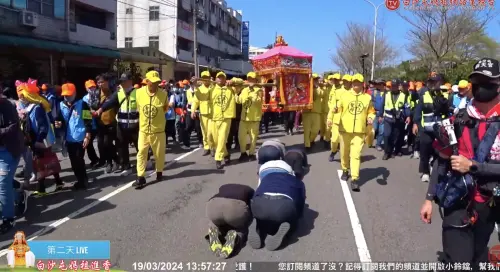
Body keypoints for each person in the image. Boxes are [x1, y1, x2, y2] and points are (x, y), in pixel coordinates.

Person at [420, 58, 500, 270]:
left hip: (490, 204)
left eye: (488, 82)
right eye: (477, 82)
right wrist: (429, 198)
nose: (481, 87)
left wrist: (473, 166)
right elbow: (442, 159)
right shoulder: (459, 119)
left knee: (479, 256)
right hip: (457, 199)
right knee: (459, 260)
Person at [330, 73, 375, 191]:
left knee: (355, 155)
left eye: (358, 82)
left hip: (359, 132)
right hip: (345, 130)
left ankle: (355, 179)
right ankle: (345, 169)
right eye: (354, 82)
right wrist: (335, 110)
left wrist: (370, 117)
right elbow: (338, 107)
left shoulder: (367, 98)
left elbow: (371, 111)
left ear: (362, 84)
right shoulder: (345, 96)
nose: (355, 84)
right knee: (344, 152)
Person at [17, 80, 62, 195]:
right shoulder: (32, 107)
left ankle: (42, 189)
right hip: (41, 140)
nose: (21, 97)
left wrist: (37, 141)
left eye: (23, 95)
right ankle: (59, 182)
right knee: (49, 161)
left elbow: (43, 126)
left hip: (41, 140)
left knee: (39, 164)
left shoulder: (36, 108)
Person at [249, 160, 306, 251]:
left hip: (260, 203)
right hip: (282, 205)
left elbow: (257, 193)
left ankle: (258, 227)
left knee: (263, 216)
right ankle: (286, 236)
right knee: (292, 223)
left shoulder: (267, 177)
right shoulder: (296, 181)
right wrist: (296, 216)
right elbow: (300, 202)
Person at [133, 70, 169, 187]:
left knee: (159, 154)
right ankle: (140, 177)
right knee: (141, 153)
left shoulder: (163, 94)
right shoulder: (138, 93)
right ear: (147, 82)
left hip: (158, 130)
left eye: (157, 82)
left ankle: (159, 172)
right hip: (143, 130)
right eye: (152, 82)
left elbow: (165, 109)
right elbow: (138, 108)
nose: (155, 85)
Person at [99, 72, 139, 175]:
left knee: (139, 146)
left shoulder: (138, 93)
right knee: (122, 146)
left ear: (130, 81)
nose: (122, 83)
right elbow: (110, 103)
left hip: (135, 126)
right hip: (121, 125)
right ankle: (127, 166)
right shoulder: (118, 93)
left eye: (124, 81)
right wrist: (101, 110)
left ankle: (145, 161)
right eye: (121, 81)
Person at [412, 72, 449, 182]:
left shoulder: (445, 95)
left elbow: (447, 113)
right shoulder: (424, 95)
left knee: (439, 151)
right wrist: (415, 124)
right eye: (431, 82)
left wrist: (444, 104)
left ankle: (435, 166)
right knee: (424, 150)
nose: (434, 84)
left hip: (440, 129)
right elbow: (418, 111)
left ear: (440, 82)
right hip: (425, 129)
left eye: (436, 82)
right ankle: (425, 171)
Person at [55, 83, 92, 190]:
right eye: (65, 95)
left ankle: (83, 182)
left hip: (80, 137)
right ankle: (81, 180)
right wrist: (58, 123)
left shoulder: (83, 104)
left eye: (69, 94)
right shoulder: (61, 105)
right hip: (68, 138)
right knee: (73, 162)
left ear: (75, 93)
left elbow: (88, 120)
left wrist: (87, 136)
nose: (67, 97)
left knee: (79, 160)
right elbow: (58, 119)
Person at [205, 183, 254, 258]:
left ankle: (214, 231)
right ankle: (237, 236)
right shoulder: (249, 190)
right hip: (234, 208)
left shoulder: (223, 186)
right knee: (242, 226)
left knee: (214, 222)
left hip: (213, 205)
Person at [0, 94, 24, 233]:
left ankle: (8, 218)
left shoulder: (7, 106)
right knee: (5, 184)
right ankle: (19, 195)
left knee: (3, 183)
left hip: (8, 150)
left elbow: (13, 126)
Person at [380, 79, 412, 160]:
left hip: (398, 119)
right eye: (392, 86)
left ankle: (394, 151)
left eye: (395, 86)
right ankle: (387, 152)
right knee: (387, 135)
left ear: (398, 86)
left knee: (395, 136)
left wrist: (408, 116)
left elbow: (406, 107)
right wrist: (380, 115)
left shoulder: (403, 95)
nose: (393, 87)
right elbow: (382, 105)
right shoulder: (386, 94)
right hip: (388, 118)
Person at [95, 74, 119, 173]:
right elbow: (93, 104)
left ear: (107, 82)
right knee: (101, 144)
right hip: (100, 122)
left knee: (107, 143)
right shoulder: (96, 93)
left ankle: (116, 160)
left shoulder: (114, 92)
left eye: (102, 82)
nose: (100, 84)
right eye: (98, 82)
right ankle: (109, 162)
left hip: (112, 121)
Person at [236, 72, 263, 161]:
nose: (250, 80)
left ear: (255, 80)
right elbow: (239, 101)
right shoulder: (244, 90)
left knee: (253, 137)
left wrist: (252, 91)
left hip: (254, 118)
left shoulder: (259, 90)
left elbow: (258, 101)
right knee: (241, 137)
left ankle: (251, 153)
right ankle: (243, 153)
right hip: (244, 118)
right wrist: (236, 92)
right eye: (249, 78)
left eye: (252, 79)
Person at [190, 71, 214, 156]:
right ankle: (206, 147)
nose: (205, 79)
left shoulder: (213, 87)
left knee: (211, 132)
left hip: (212, 114)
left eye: (207, 77)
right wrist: (193, 111)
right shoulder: (199, 89)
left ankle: (212, 147)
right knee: (204, 132)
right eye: (203, 77)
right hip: (203, 113)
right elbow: (195, 101)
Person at [327, 74, 350, 161]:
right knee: (334, 140)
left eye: (347, 81)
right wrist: (330, 118)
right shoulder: (338, 92)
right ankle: (333, 151)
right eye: (344, 81)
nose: (345, 83)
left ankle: (346, 157)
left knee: (345, 142)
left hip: (348, 122)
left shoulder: (353, 93)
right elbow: (333, 107)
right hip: (337, 120)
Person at [82, 80, 101, 169]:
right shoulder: (84, 100)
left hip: (100, 123)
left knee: (102, 143)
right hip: (91, 124)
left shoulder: (99, 96)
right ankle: (94, 159)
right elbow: (85, 114)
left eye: (93, 87)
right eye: (90, 87)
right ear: (86, 88)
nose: (92, 89)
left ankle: (105, 159)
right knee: (89, 144)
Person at [302, 73, 322, 151]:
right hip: (306, 111)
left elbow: (321, 95)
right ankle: (307, 145)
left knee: (315, 130)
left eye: (317, 79)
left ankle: (310, 140)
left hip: (316, 111)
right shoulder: (305, 87)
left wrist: (317, 87)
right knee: (307, 130)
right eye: (314, 79)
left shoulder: (319, 88)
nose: (316, 80)